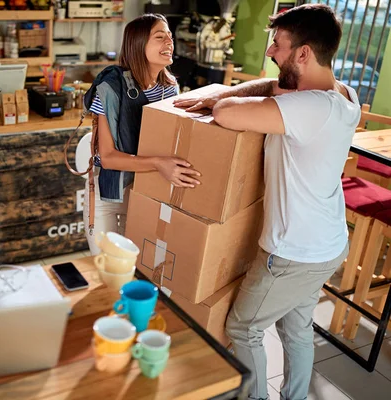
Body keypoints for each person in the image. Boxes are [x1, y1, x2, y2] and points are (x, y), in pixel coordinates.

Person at [174, 4, 360, 400]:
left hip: (294, 252)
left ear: (304, 53)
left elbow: (226, 113)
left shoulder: (310, 108)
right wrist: (229, 93)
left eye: (278, 44)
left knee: (244, 328)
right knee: (295, 328)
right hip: (328, 243)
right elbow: (274, 88)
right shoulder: (343, 95)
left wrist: (220, 99)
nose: (270, 52)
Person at [81, 14, 201, 255]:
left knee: (136, 268)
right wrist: (159, 164)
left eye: (170, 36)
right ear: (137, 44)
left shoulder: (169, 88)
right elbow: (107, 158)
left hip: (146, 192)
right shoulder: (111, 88)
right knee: (110, 269)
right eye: (160, 37)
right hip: (109, 194)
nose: (169, 42)